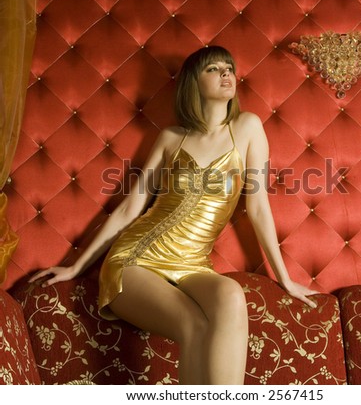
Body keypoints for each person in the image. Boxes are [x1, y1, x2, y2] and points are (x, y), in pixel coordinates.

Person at [29, 46, 318, 385]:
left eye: (229, 67)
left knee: (230, 296)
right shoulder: (171, 138)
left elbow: (257, 207)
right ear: (193, 83)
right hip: (137, 259)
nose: (226, 73)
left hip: (192, 263)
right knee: (193, 324)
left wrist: (283, 278)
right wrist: (77, 266)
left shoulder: (248, 127)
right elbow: (130, 207)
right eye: (213, 69)